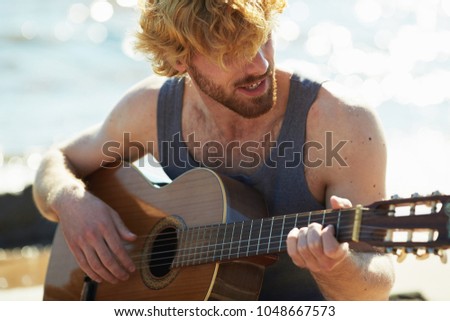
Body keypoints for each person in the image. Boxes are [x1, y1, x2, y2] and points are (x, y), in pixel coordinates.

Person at [33, 0, 394, 300]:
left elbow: (377, 282)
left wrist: (338, 265)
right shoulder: (152, 109)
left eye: (262, 39)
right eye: (232, 53)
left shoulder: (341, 123)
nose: (260, 65)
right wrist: (71, 203)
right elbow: (58, 161)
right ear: (180, 59)